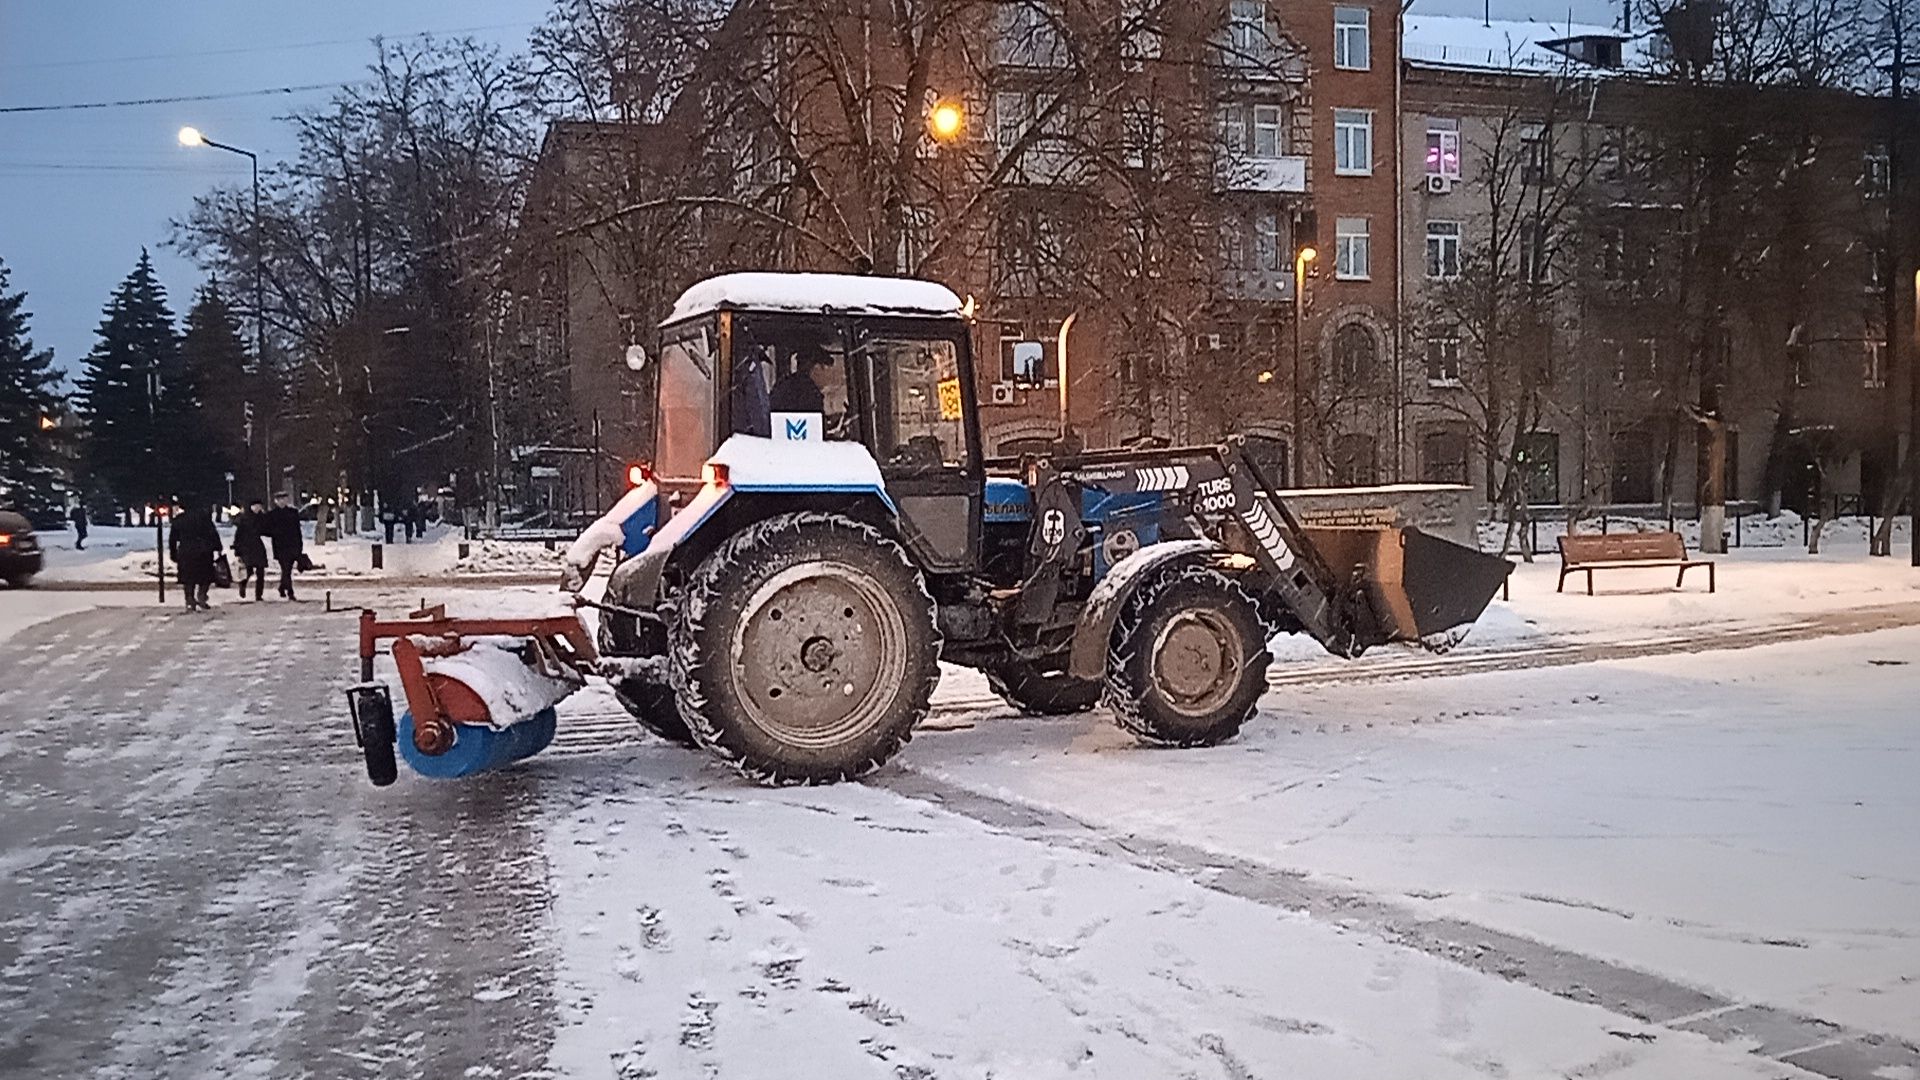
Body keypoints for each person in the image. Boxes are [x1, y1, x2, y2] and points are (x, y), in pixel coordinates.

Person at [168, 497, 222, 612]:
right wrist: (218, 547)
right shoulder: (204, 518)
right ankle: (202, 595)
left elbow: (173, 539)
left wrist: (173, 553)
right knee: (205, 577)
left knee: (188, 579)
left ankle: (190, 599)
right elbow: (213, 534)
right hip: (204, 551)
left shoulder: (179, 520)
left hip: (186, 552)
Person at [769, 344, 835, 416]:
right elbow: (812, 420)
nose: (827, 376)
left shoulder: (782, 385)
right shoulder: (810, 393)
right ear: (816, 367)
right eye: (825, 369)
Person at [265, 492, 304, 601]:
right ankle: (290, 591)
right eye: (280, 499)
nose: (282, 501)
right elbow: (267, 529)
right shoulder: (272, 514)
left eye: (284, 499)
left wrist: (299, 545)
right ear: (276, 501)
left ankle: (282, 587)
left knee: (287, 569)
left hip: (292, 545)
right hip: (280, 546)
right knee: (286, 568)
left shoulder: (293, 513)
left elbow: (297, 530)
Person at [232, 499, 270, 601]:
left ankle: (259, 595)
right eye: (256, 506)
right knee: (249, 570)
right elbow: (238, 534)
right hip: (246, 547)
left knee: (260, 571)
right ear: (251, 507)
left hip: (257, 546)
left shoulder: (262, 517)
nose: (258, 508)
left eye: (259, 506)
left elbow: (266, 529)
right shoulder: (245, 518)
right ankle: (243, 585)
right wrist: (237, 549)